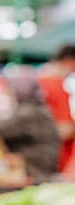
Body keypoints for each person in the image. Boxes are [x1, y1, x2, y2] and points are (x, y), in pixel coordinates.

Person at [0, 73, 61, 183]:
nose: (9, 93)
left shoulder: (30, 112)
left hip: (36, 172)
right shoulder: (36, 110)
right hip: (35, 169)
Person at [37, 44, 75, 173]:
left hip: (43, 155)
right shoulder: (56, 85)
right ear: (69, 62)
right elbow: (65, 129)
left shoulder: (40, 80)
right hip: (59, 158)